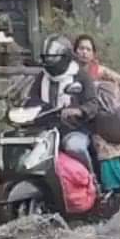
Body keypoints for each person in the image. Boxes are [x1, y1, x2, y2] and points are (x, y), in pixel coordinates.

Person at [73, 34, 120, 195]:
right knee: (104, 146)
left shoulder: (99, 71)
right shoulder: (71, 73)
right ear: (75, 51)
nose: (84, 52)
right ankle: (118, 187)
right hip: (92, 123)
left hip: (111, 117)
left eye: (88, 49)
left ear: (93, 54)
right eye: (81, 48)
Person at [27, 34, 99, 173]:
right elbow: (32, 99)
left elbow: (93, 103)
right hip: (45, 129)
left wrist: (78, 111)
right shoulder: (42, 77)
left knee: (75, 148)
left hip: (73, 129)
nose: (51, 64)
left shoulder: (80, 76)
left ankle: (91, 180)